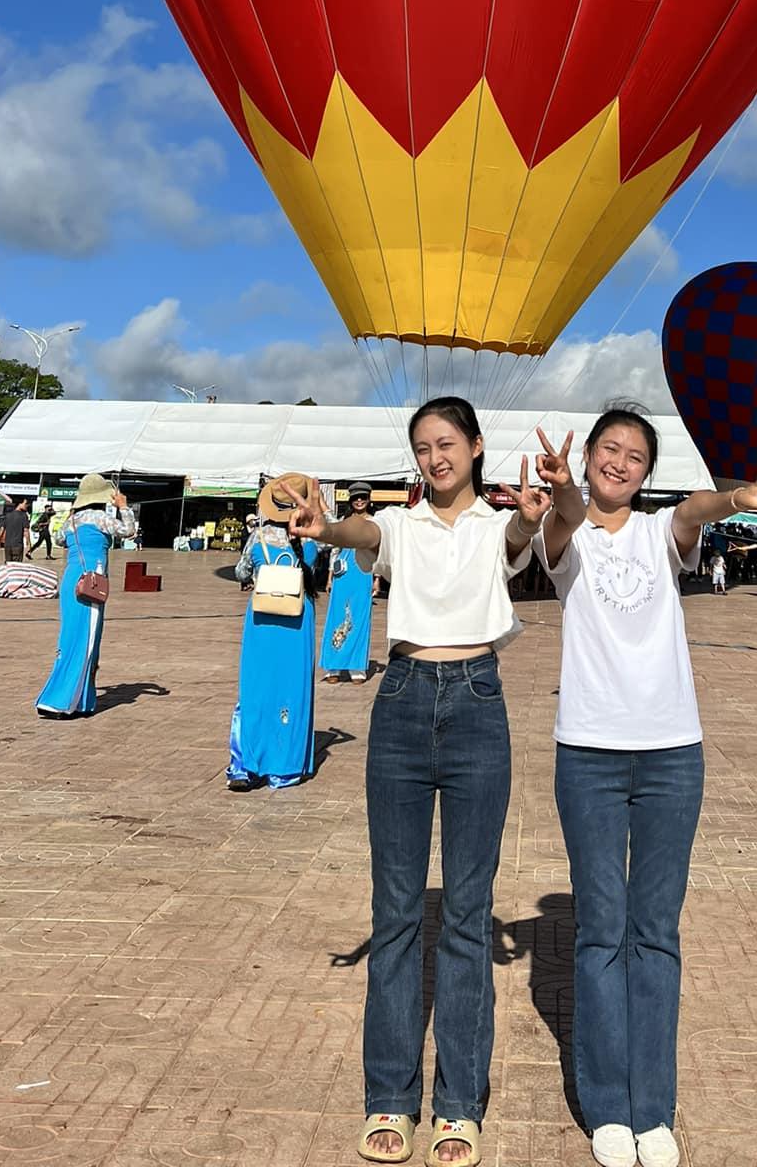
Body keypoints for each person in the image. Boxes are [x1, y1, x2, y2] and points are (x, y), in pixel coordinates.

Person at [276, 397, 549, 1167]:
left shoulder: (500, 524)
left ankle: (459, 1105)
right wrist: (324, 526)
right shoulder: (398, 525)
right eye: (424, 447)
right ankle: (389, 1098)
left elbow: (524, 537)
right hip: (399, 702)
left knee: (466, 916)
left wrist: (533, 512)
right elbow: (362, 534)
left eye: (447, 444)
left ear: (475, 447)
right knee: (395, 911)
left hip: (478, 704)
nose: (436, 458)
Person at [534, 409, 757, 1167]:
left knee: (657, 933)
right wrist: (560, 495)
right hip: (589, 753)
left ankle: (655, 1108)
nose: (618, 462)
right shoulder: (564, 531)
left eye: (634, 455)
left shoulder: (660, 534)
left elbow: (693, 512)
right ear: (588, 461)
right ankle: (608, 1106)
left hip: (673, 752)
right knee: (601, 933)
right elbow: (566, 519)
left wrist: (739, 498)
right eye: (608, 450)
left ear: (647, 470)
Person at [227, 478, 318, 790]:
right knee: (292, 689)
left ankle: (245, 765)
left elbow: (240, 572)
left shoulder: (258, 537)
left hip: (262, 617)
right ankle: (285, 766)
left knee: (255, 687)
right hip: (297, 619)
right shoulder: (310, 540)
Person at [36, 475, 138, 719]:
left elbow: (60, 540)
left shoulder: (71, 520)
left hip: (73, 579)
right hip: (92, 582)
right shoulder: (102, 518)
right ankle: (61, 701)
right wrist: (123, 507)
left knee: (70, 635)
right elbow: (128, 531)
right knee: (87, 639)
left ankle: (81, 700)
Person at [321, 487, 376, 683]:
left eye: (363, 497)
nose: (359, 501)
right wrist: (329, 577)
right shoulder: (344, 522)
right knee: (337, 614)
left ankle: (356, 668)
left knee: (360, 617)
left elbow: (380, 553)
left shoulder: (375, 523)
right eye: (355, 498)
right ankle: (333, 668)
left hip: (363, 572)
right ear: (350, 501)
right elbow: (335, 549)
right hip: (342, 573)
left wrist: (377, 578)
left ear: (369, 499)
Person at [2, 498, 30, 563]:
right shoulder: (23, 516)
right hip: (17, 545)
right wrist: (28, 544)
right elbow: (26, 531)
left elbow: (2, 529)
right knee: (16, 565)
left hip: (7, 545)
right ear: (19, 504)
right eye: (25, 504)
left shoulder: (8, 515)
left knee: (8, 564)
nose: (27, 506)